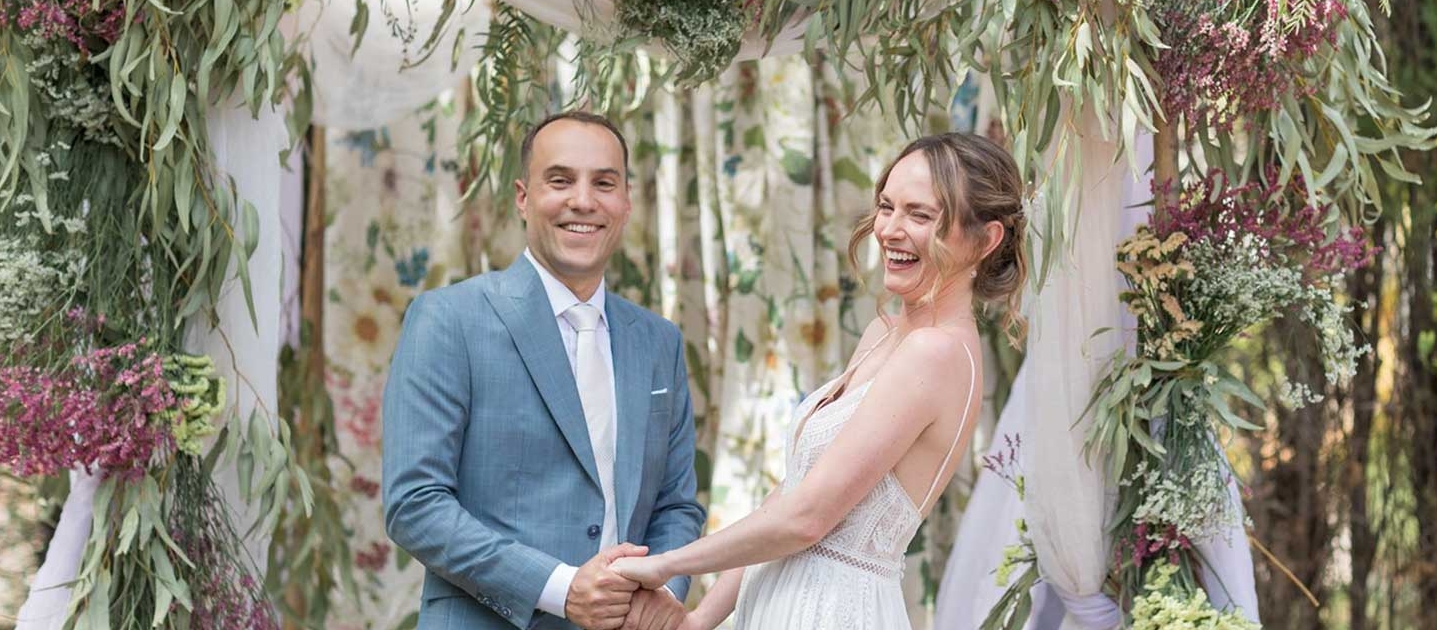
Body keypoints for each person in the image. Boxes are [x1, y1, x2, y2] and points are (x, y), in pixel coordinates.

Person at [611, 132, 1028, 629]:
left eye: (920, 215)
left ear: (987, 239)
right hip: (778, 603)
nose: (890, 229)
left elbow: (807, 518)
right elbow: (792, 494)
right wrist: (702, 618)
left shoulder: (935, 351)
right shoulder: (885, 333)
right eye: (886, 207)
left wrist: (664, 564)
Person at [382, 111, 707, 630]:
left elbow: (675, 506)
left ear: (626, 202)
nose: (583, 200)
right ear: (523, 197)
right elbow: (415, 504)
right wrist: (561, 588)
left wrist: (659, 591)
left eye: (604, 183)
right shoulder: (448, 319)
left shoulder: (659, 341)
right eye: (560, 180)